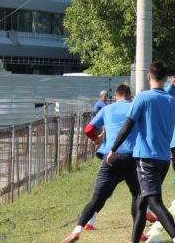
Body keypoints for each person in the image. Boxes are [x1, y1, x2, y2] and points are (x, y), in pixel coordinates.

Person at [106, 60, 175, 243]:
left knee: (154, 202)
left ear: (149, 76)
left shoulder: (142, 98)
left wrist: (113, 149)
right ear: (165, 78)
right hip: (164, 159)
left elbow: (126, 126)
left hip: (145, 158)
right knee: (142, 201)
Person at [61, 85, 144, 243]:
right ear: (129, 95)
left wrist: (96, 139)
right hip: (132, 156)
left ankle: (77, 230)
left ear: (116, 96)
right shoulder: (135, 107)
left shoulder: (107, 109)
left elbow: (88, 129)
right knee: (137, 194)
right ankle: (138, 233)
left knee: (96, 198)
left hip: (110, 157)